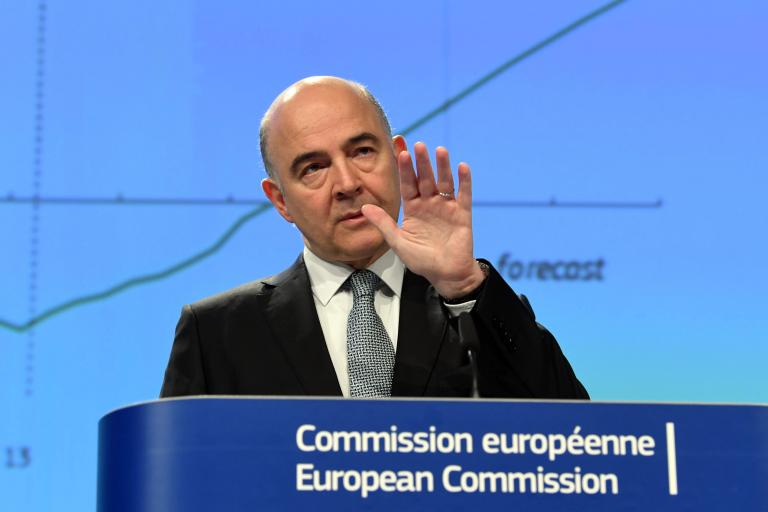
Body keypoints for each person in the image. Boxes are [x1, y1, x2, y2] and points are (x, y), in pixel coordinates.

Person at [160, 76, 588, 399]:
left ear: (397, 157)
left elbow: (574, 438)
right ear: (280, 200)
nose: (347, 183)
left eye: (362, 151)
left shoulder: (473, 306)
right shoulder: (216, 332)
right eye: (314, 168)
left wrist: (463, 285)